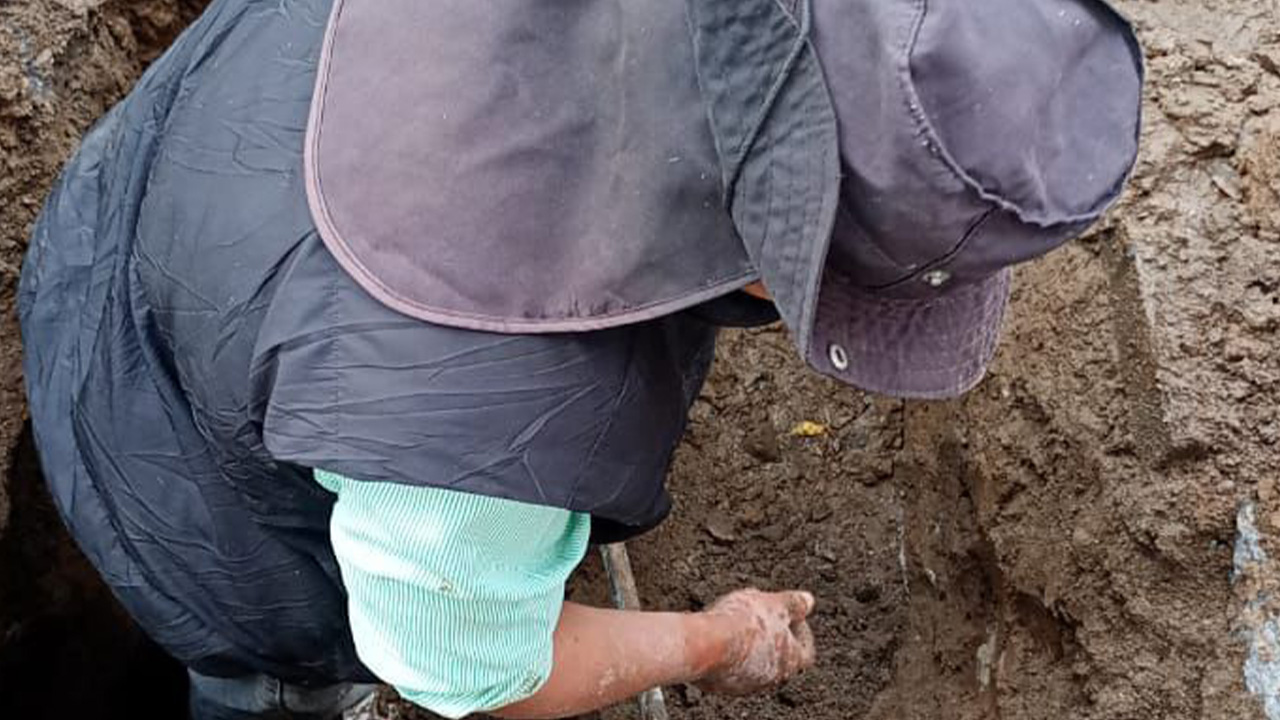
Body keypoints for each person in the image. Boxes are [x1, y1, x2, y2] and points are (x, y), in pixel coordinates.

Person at [17, 0, 1143, 717]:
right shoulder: (467, 423)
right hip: (198, 528)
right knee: (268, 691)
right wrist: (709, 641)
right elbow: (457, 668)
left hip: (159, 189)